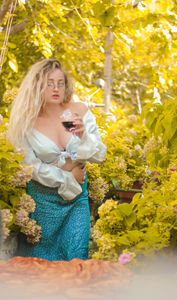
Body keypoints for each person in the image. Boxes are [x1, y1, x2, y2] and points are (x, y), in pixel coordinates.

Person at [7, 59, 107, 261]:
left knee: (76, 257)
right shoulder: (26, 119)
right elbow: (31, 167)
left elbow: (100, 155)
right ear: (37, 85)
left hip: (76, 198)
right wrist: (67, 176)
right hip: (42, 202)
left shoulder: (78, 111)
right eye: (49, 83)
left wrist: (83, 136)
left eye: (60, 83)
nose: (56, 88)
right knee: (38, 264)